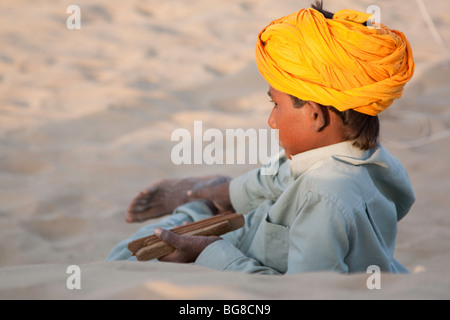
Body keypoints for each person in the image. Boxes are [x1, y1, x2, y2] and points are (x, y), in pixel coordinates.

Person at [107, 1, 415, 274]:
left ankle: (200, 202)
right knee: (213, 209)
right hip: (255, 228)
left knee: (125, 257)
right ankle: (213, 194)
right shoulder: (368, 157)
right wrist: (229, 194)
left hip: (248, 264)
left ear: (314, 115)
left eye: (275, 105)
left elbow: (307, 293)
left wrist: (207, 253)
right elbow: (288, 175)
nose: (270, 121)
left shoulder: (324, 194)